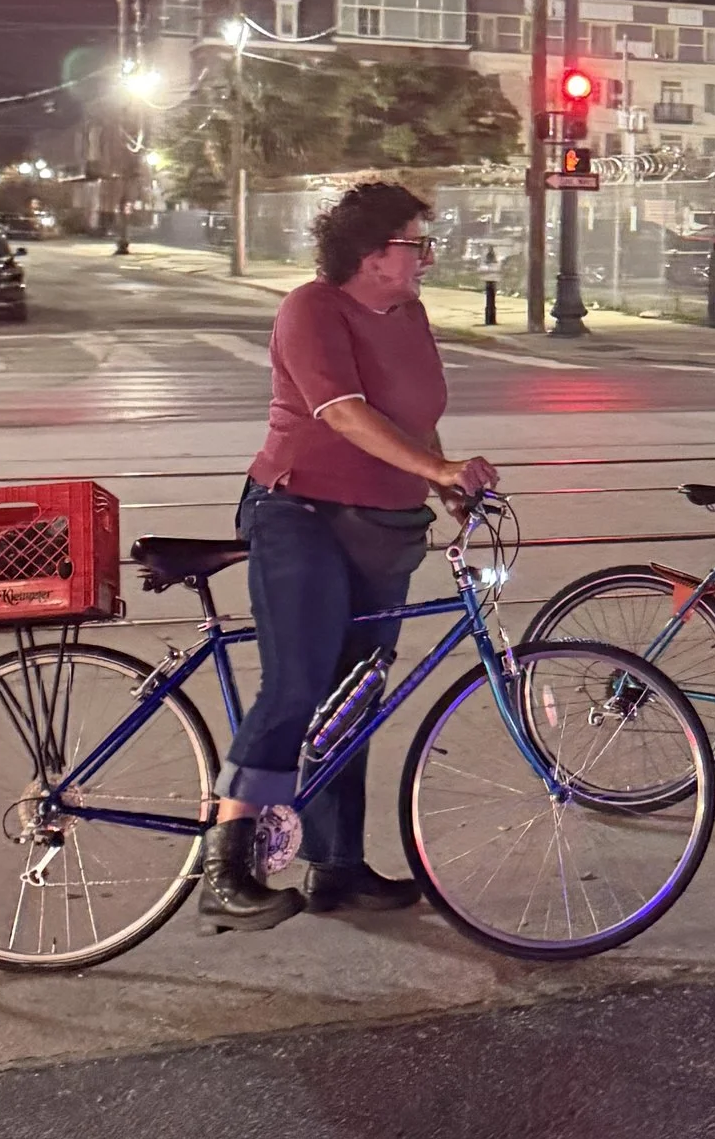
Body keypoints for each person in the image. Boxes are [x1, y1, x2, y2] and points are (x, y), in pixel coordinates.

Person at [200, 179, 498, 926]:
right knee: (298, 683)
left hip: (385, 526)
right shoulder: (312, 308)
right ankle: (226, 861)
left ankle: (336, 865)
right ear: (371, 254)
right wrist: (435, 468)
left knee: (353, 697)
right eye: (417, 243)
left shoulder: (410, 314)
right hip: (300, 511)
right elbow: (342, 412)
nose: (429, 257)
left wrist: (441, 481)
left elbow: (414, 418)